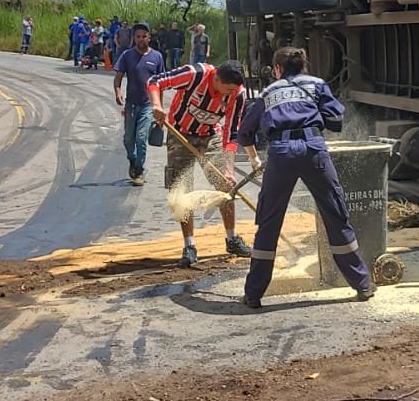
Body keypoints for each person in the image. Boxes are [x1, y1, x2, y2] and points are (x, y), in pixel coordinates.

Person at [234, 46, 375, 308]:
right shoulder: (317, 84)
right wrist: (313, 120)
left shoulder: (268, 92)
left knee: (269, 223)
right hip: (314, 151)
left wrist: (255, 157)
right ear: (303, 66)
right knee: (335, 215)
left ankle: (253, 295)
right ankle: (363, 285)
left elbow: (244, 133)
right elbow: (336, 117)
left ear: (277, 69)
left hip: (280, 154)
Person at [149, 61, 256, 266]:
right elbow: (156, 81)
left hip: (210, 135)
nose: (229, 94)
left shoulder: (238, 93)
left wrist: (228, 169)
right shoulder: (194, 74)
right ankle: (189, 245)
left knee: (225, 186)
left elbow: (231, 132)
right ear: (216, 79)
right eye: (227, 90)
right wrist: (157, 105)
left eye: (233, 91)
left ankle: (232, 238)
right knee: (182, 190)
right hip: (180, 134)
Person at [113, 23, 165, 187]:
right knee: (129, 139)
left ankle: (139, 171)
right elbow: (119, 76)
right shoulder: (127, 56)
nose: (141, 39)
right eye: (138, 36)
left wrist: (159, 107)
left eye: (144, 36)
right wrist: (118, 92)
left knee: (141, 138)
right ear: (134, 38)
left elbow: (160, 84)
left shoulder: (157, 57)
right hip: (131, 105)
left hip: (148, 105)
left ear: (149, 37)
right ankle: (133, 160)